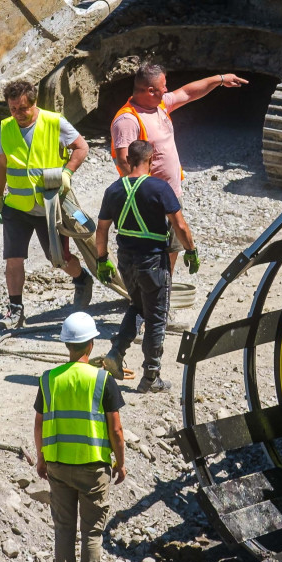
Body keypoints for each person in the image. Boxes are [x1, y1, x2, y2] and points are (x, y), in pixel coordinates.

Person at [91, 139, 198, 392]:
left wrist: (101, 259)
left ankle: (116, 352)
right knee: (156, 317)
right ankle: (151, 378)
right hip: (153, 262)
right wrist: (191, 251)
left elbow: (102, 229)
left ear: (127, 160)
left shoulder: (113, 190)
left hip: (126, 261)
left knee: (137, 306)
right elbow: (180, 226)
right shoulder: (160, 188)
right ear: (152, 160)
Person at [34, 312, 127, 562]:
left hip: (58, 467)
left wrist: (41, 458)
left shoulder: (49, 379)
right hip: (93, 470)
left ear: (67, 345)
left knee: (64, 529)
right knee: (91, 533)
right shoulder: (102, 379)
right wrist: (120, 464)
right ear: (91, 344)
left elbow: (39, 425)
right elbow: (117, 431)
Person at [0, 78, 92, 330]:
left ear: (33, 103)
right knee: (13, 259)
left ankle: (82, 279)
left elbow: (81, 147)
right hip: (16, 206)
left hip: (49, 207)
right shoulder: (5, 127)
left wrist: (67, 173)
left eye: (22, 109)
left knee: (58, 259)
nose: (17, 114)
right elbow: (1, 163)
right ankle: (15, 310)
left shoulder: (54, 122)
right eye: (12, 109)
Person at [109, 64, 247, 186]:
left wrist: (220, 79)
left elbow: (187, 92)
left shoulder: (160, 104)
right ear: (151, 91)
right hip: (151, 196)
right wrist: (143, 193)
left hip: (170, 192)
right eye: (163, 86)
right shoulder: (128, 120)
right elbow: (123, 161)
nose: (166, 89)